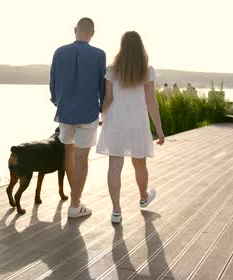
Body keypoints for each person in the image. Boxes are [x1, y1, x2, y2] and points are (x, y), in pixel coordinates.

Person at [96, 31, 165, 224]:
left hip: (116, 120)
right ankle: (144, 197)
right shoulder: (147, 70)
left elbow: (108, 100)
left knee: (114, 166)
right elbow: (151, 101)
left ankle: (116, 211)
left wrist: (102, 119)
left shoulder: (112, 69)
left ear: (122, 47)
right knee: (139, 163)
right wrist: (159, 129)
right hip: (138, 121)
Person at [50, 17, 106, 218]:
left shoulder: (59, 52)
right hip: (88, 112)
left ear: (75, 30)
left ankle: (75, 200)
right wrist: (103, 109)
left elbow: (53, 82)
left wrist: (58, 101)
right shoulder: (99, 54)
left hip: (65, 112)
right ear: (92, 33)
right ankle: (75, 204)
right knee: (82, 158)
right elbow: (103, 86)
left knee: (69, 152)